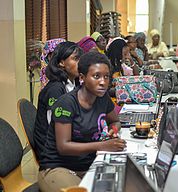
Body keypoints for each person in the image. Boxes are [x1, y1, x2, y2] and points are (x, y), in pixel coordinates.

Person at [38, 52, 126, 192]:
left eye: (106, 76)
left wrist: (113, 131)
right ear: (82, 78)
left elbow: (115, 121)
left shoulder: (102, 98)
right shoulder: (66, 103)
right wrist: (103, 145)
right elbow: (64, 146)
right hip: (58, 168)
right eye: (96, 76)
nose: (103, 82)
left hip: (89, 165)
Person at [34, 42, 83, 161]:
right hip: (52, 153)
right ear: (61, 63)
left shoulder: (73, 84)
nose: (80, 63)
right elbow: (56, 128)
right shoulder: (55, 89)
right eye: (75, 59)